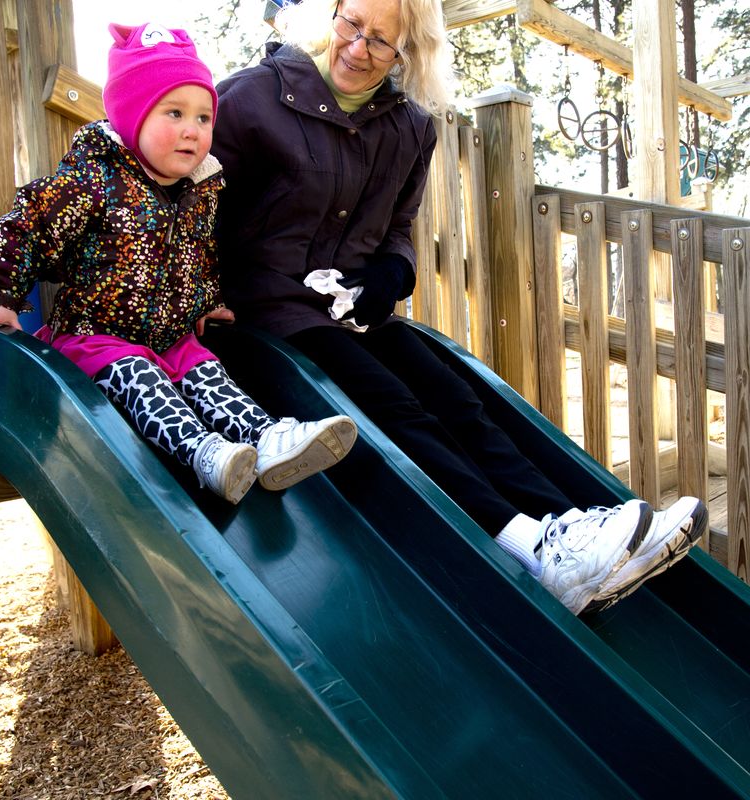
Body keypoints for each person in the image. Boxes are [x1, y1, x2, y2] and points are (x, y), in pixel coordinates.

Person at [211, 0, 709, 614]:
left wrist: (393, 271)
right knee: (395, 404)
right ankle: (526, 546)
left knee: (454, 395)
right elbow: (187, 203)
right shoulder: (249, 100)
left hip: (351, 314)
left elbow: (398, 226)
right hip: (269, 321)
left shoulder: (409, 128)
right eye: (351, 24)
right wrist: (197, 298)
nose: (358, 48)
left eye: (382, 42)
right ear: (330, 13)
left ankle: (571, 526)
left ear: (407, 54)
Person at [0, 22, 357, 505]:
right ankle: (206, 454)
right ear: (133, 115)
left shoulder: (200, 189)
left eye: (205, 118)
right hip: (94, 339)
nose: (193, 130)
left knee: (209, 373)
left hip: (170, 336)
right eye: (174, 113)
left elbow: (201, 252)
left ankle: (268, 438)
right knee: (141, 379)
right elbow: (26, 229)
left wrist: (207, 301)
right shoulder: (93, 182)